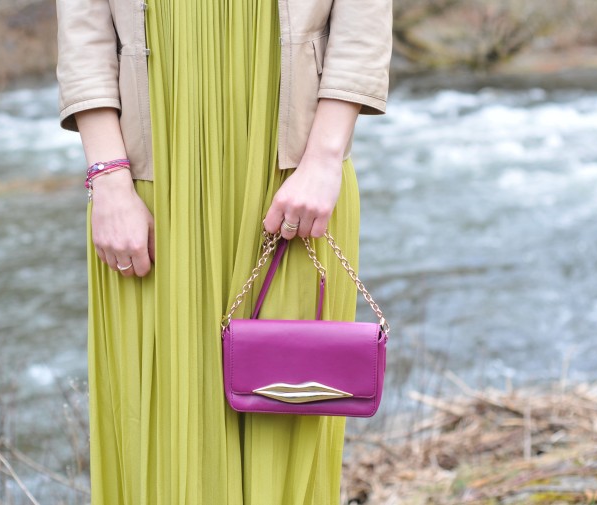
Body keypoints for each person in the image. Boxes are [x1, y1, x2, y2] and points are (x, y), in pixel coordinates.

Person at [56, 0, 392, 503]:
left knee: (282, 415)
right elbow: (83, 30)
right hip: (147, 186)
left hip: (293, 172)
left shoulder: (308, 172)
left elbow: (362, 16)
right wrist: (106, 178)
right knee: (162, 423)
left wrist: (323, 159)